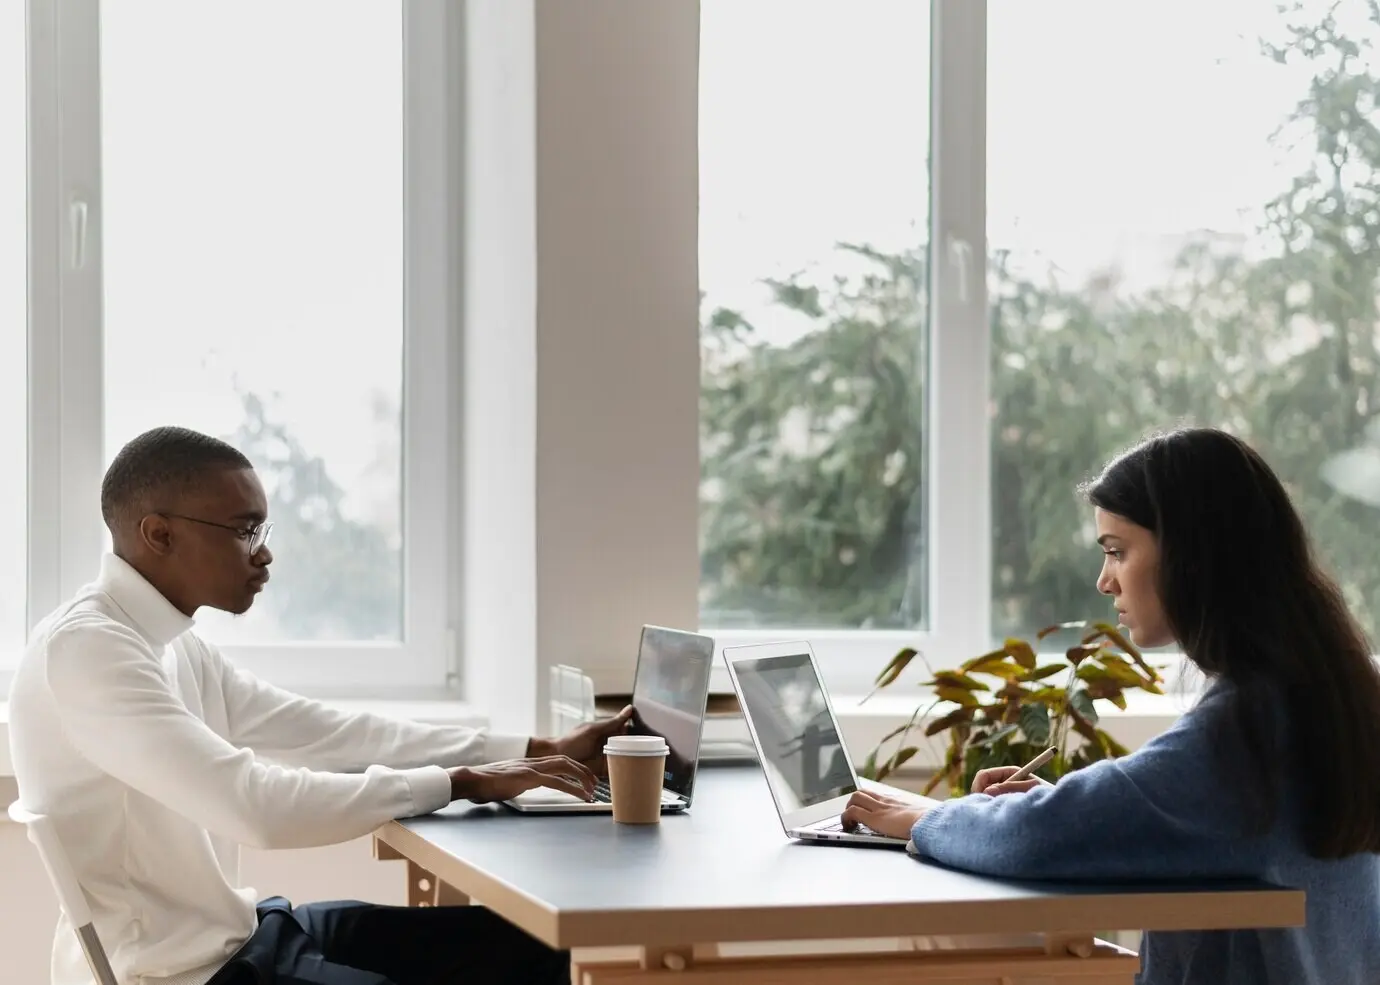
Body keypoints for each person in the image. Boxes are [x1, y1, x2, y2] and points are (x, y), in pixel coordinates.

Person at [7, 426, 634, 985]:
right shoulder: (89, 651)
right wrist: (458, 783)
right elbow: (254, 807)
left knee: (539, 947)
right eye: (244, 531)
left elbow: (323, 732)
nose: (264, 554)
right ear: (159, 534)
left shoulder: (170, 643)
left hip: (246, 936)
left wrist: (528, 751)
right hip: (187, 973)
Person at [840, 427, 1380, 984]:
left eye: (1118, 552)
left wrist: (928, 820)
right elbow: (1190, 815)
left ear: (1193, 554)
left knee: (946, 939)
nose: (1105, 581)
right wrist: (1073, 810)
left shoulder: (1241, 731)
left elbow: (1035, 838)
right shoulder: (1328, 689)